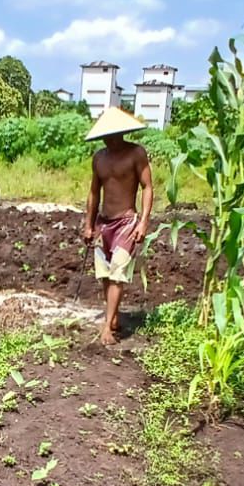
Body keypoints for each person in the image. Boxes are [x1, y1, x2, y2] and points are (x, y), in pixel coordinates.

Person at [82, 107, 153, 345]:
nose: (108, 140)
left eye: (112, 135)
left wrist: (143, 221)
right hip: (104, 223)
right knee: (105, 273)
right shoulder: (99, 158)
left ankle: (107, 327)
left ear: (121, 133)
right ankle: (112, 318)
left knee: (118, 274)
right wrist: (88, 224)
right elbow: (94, 193)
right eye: (104, 136)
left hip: (126, 222)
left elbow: (148, 188)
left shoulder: (136, 154)